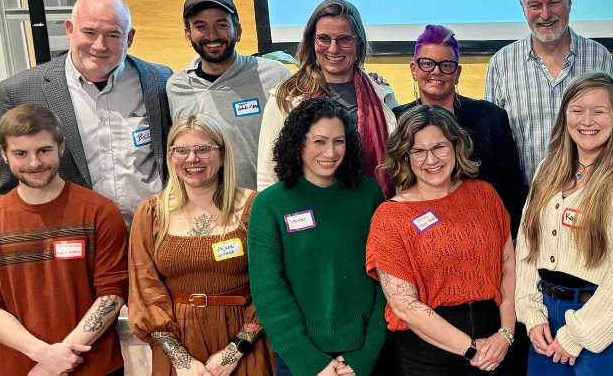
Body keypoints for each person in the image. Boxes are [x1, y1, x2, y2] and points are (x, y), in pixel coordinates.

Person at [0, 103, 128, 375]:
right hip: (21, 369)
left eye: (44, 150)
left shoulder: (100, 212)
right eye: (20, 153)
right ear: (4, 155)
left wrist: (60, 359)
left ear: (61, 148)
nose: (34, 163)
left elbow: (112, 294)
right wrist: (43, 356)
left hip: (95, 368)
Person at [514, 73, 613, 376]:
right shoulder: (548, 168)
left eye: (599, 111)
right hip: (546, 322)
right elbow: (528, 245)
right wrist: (532, 313)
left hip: (607, 325)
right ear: (564, 114)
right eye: (577, 110)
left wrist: (576, 335)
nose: (587, 121)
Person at [0, 0, 172, 221]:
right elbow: (11, 186)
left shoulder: (159, 80)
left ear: (129, 38)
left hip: (152, 231)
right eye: (89, 32)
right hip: (72, 235)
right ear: (69, 29)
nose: (100, 46)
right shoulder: (21, 91)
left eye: (112, 35)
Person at [367, 105, 517, 375]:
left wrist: (505, 334)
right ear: (405, 156)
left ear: (456, 145)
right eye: (418, 151)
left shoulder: (484, 195)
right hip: (429, 354)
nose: (431, 159)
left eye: (439, 147)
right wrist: (471, 349)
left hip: (497, 339)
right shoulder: (390, 217)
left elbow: (508, 266)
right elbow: (405, 305)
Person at [248, 98, 387, 376]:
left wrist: (366, 353)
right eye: (319, 141)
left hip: (365, 356)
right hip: (299, 359)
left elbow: (387, 279)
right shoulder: (270, 205)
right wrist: (310, 362)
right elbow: (268, 290)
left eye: (339, 141)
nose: (331, 152)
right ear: (298, 143)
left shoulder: (368, 195)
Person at [128, 114, 271, 375]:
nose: (192, 159)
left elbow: (272, 285)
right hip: (178, 346)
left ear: (222, 152)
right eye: (181, 150)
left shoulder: (256, 207)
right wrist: (182, 362)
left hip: (245, 343)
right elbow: (145, 291)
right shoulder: (151, 213)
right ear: (170, 156)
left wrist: (234, 352)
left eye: (203, 149)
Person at [485, 0, 613, 183]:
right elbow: (493, 144)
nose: (545, 14)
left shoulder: (600, 58)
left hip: (590, 198)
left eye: (554, 2)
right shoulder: (501, 64)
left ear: (570, 1)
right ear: (523, 7)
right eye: (535, 5)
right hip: (527, 203)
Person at [393, 24, 527, 235]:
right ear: (413, 69)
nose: (436, 71)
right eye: (427, 63)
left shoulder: (491, 118)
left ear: (457, 73)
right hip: (416, 239)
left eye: (446, 65)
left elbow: (512, 192)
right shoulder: (395, 120)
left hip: (485, 238)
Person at [255, 0, 398, 196]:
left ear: (358, 42)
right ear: (312, 42)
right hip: (307, 214)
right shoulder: (286, 96)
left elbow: (398, 166)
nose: (333, 49)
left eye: (344, 39)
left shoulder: (382, 95)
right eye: (324, 38)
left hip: (373, 212)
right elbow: (267, 175)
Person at [166, 0, 291, 190]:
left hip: (266, 205)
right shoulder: (176, 87)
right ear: (188, 35)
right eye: (200, 26)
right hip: (209, 211)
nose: (212, 35)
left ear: (238, 31)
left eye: (221, 25)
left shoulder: (275, 76)